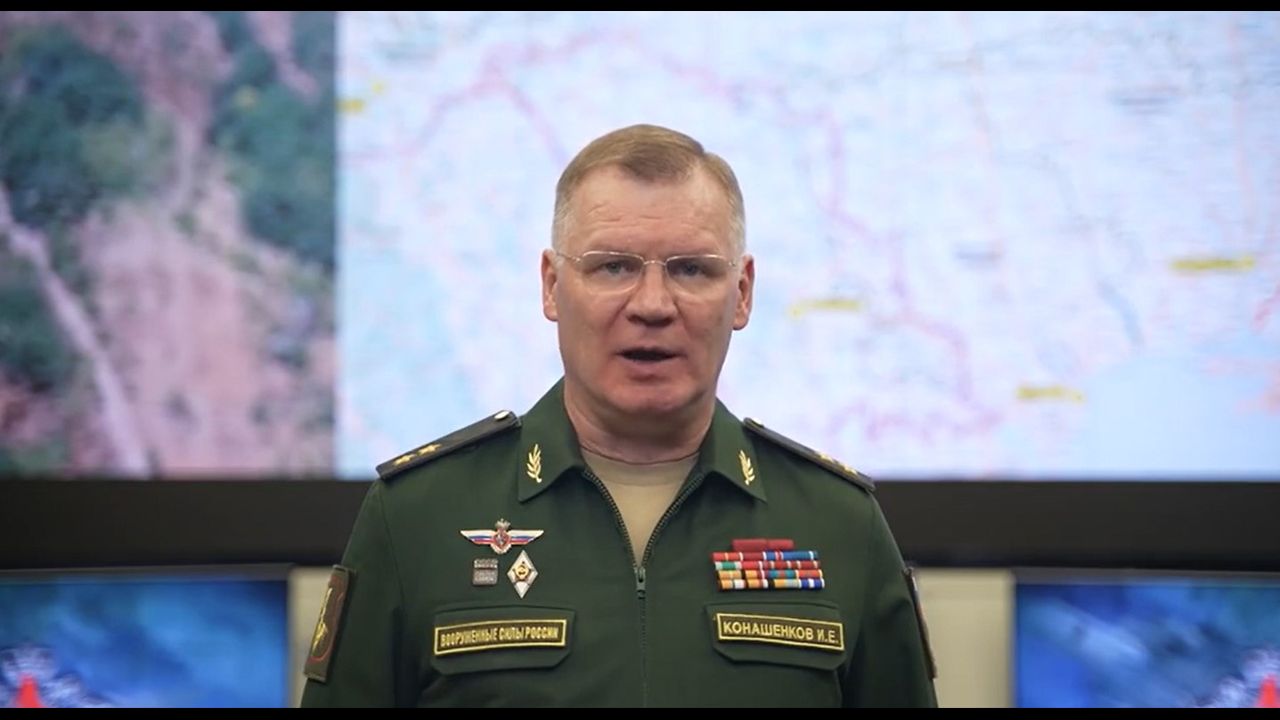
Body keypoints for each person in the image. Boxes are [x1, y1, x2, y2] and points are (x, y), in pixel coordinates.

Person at [300, 124, 938, 708]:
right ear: (552, 286)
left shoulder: (840, 525)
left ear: (742, 293)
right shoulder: (416, 519)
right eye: (612, 267)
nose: (653, 305)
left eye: (692, 270)